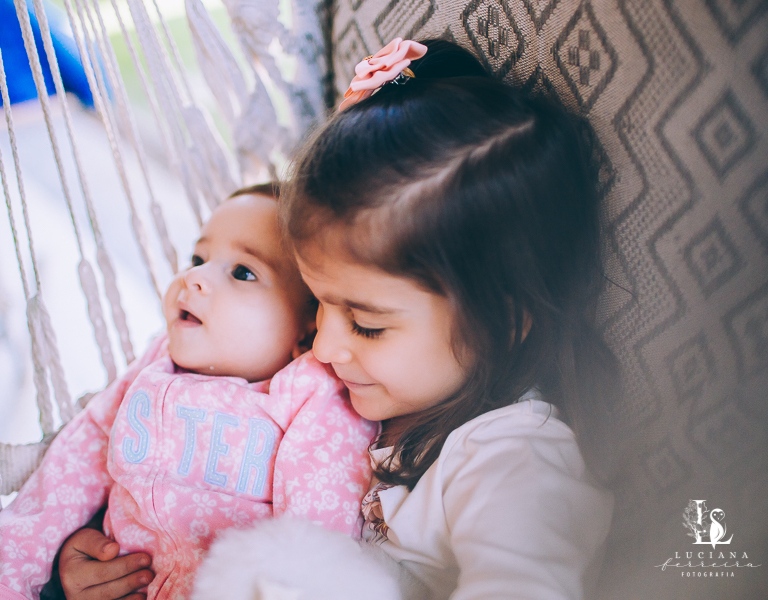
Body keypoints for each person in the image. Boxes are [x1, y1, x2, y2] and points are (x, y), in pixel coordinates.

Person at [48, 37, 617, 600]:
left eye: (367, 324)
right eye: (320, 306)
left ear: (499, 323)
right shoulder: (333, 389)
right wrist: (102, 548)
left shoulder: (510, 458)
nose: (323, 348)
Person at [0, 183, 378, 600]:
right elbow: (72, 465)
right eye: (198, 257)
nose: (194, 276)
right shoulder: (155, 369)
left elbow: (315, 546)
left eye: (243, 272)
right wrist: (2, 578)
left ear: (308, 328)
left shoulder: (313, 400)